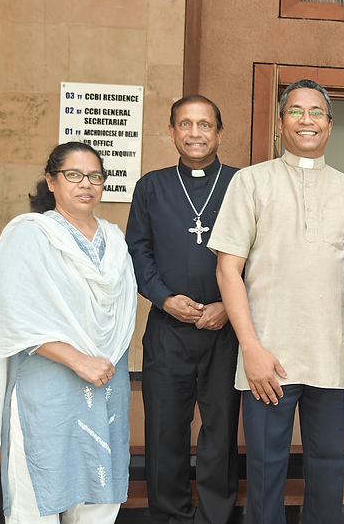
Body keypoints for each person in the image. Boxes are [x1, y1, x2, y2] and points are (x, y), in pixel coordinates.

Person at [209, 79, 344, 524]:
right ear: (281, 123)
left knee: (327, 471)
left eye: (316, 112)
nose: (307, 120)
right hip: (267, 360)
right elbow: (228, 269)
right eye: (296, 111)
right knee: (264, 473)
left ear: (330, 125)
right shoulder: (250, 182)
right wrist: (251, 349)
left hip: (329, 357)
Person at [0, 142, 136, 523]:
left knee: (99, 493)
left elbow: (120, 314)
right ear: (51, 181)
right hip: (48, 378)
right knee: (39, 491)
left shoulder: (115, 240)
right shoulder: (30, 234)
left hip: (106, 376)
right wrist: (78, 359)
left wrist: (95, 361)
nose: (86, 184)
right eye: (73, 175)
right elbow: (14, 315)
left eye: (95, 176)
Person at [126, 95, 240, 524]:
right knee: (164, 431)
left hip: (226, 329)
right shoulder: (151, 186)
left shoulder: (241, 183)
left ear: (219, 132)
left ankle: (215, 516)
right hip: (167, 329)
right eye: (186, 125)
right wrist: (164, 298)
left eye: (205, 125)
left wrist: (228, 306)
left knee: (221, 431)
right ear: (172, 131)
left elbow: (262, 254)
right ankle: (170, 516)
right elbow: (137, 251)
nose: (195, 133)